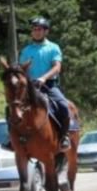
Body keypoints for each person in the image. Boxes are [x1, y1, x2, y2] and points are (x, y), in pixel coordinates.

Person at [19, 17, 71, 151]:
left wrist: (43, 78)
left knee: (63, 106)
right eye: (34, 29)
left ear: (46, 31)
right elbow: (22, 69)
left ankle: (64, 136)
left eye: (39, 29)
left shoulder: (53, 48)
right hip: (30, 87)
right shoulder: (26, 50)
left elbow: (57, 67)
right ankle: (11, 138)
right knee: (13, 107)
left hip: (49, 85)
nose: (36, 32)